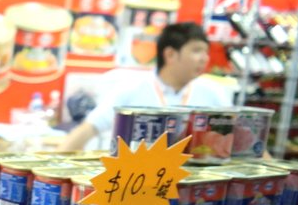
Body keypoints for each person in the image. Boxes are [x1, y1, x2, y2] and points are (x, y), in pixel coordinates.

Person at [58, 22, 233, 151]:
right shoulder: (132, 88)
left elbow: (233, 137)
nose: (204, 59)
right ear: (170, 54)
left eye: (206, 52)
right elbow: (89, 128)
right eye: (196, 50)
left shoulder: (213, 93)